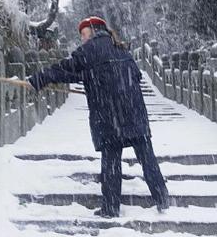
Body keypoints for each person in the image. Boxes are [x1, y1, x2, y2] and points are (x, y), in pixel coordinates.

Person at [26, 16, 170, 218]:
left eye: (84, 34)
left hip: (109, 114)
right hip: (134, 112)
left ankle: (111, 208)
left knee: (111, 161)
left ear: (93, 31)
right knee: (147, 158)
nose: (83, 39)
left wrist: (39, 79)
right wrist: (97, 82)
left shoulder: (89, 51)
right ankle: (163, 199)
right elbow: (135, 76)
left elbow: (66, 70)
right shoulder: (120, 48)